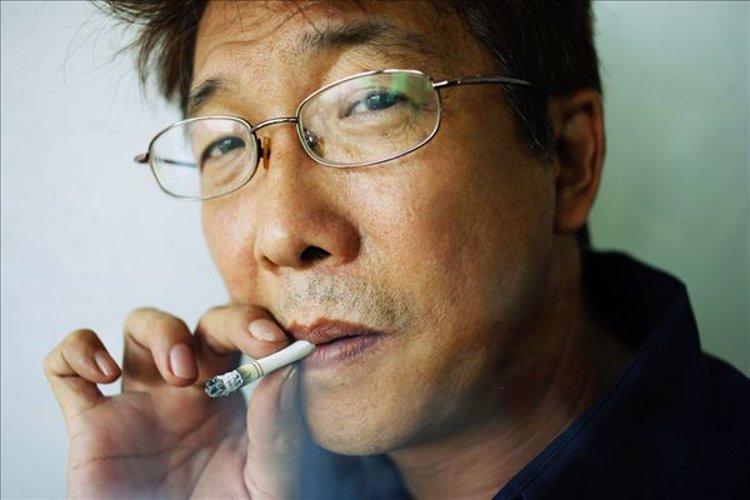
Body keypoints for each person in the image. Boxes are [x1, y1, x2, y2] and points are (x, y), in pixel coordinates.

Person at [44, 1, 750, 498]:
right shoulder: (264, 480)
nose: (283, 235)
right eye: (226, 143)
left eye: (372, 102)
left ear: (567, 160)